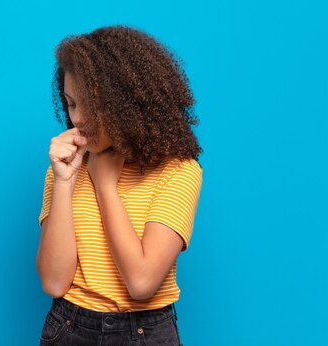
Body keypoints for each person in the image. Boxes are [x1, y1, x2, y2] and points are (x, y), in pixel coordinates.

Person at [35, 25, 203, 345]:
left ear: (130, 104)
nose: (79, 117)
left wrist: (106, 186)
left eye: (92, 104)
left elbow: (141, 283)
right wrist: (64, 181)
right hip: (69, 326)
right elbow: (55, 283)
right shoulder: (66, 167)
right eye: (71, 103)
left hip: (144, 332)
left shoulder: (178, 171)